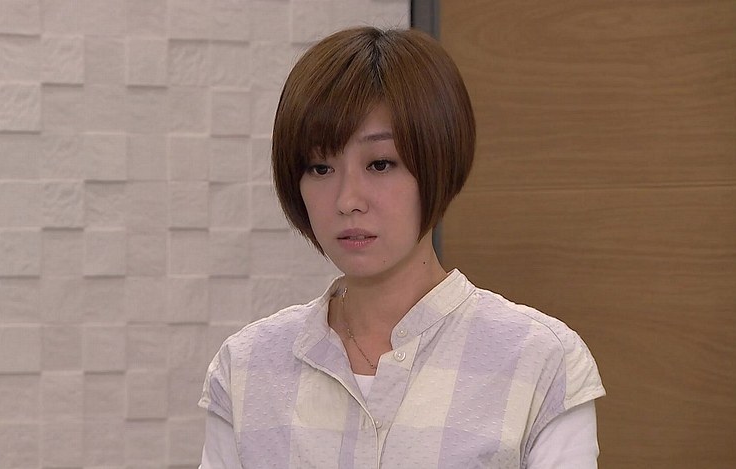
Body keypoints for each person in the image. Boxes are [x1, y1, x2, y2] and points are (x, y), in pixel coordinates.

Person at [198, 27, 605, 468]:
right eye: (320, 168)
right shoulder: (247, 367)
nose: (347, 200)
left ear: (439, 162)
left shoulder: (539, 360)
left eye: (380, 164)